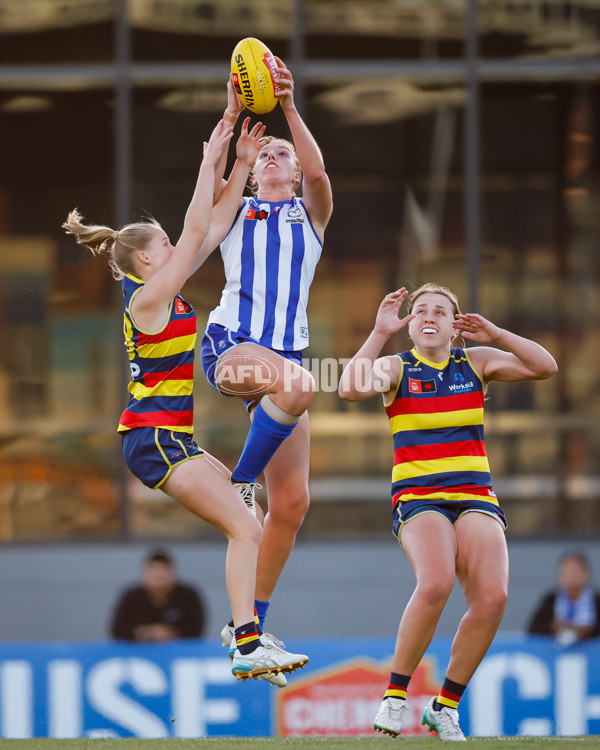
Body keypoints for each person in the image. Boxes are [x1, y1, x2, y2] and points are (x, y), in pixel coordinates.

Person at [62, 114, 308, 683]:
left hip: (170, 438)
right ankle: (247, 645)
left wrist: (240, 161)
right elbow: (199, 230)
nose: (175, 247)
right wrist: (212, 157)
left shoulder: (159, 287)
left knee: (255, 515)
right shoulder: (147, 298)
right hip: (152, 439)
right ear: (146, 260)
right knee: (245, 527)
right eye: (165, 245)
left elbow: (213, 221)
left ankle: (240, 628)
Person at [338, 283, 557, 741]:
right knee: (435, 582)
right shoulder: (396, 367)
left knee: (493, 598)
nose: (429, 316)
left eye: (441, 310)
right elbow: (349, 389)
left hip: (475, 492)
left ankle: (446, 706)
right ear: (410, 324)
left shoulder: (474, 362)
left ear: (456, 326)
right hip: (419, 496)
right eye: (420, 311)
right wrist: (379, 333)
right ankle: (395, 697)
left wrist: (496, 334)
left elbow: (545, 366)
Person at [201, 57, 333, 677]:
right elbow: (207, 206)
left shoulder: (311, 214)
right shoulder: (239, 213)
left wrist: (287, 107)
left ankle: (245, 623)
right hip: (233, 347)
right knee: (300, 383)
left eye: (283, 153)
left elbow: (319, 170)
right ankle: (238, 481)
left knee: (296, 503)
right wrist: (237, 145)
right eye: (268, 156)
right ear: (254, 175)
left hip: (282, 364)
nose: (277, 158)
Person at [110, 549, 206, 641]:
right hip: (138, 653)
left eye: (163, 571)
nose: (158, 575)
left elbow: (196, 629)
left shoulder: (188, 596)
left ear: (173, 574)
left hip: (179, 652)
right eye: (154, 572)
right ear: (144, 574)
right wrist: (146, 633)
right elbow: (117, 630)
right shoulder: (131, 597)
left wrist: (170, 634)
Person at [527, 551, 600, 643]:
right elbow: (532, 630)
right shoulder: (551, 600)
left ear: (585, 574)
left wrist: (588, 631)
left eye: (574, 571)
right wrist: (553, 627)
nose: (570, 576)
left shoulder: (597, 600)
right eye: (566, 572)